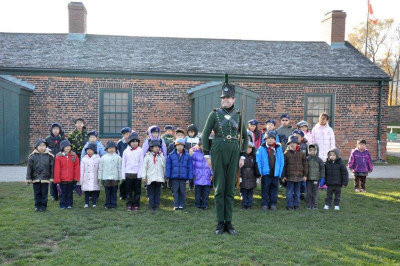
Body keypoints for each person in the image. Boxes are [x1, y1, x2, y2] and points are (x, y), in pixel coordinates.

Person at [201, 79, 248, 235]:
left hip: (234, 151)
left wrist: (242, 156)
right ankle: (220, 223)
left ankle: (229, 222)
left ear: (233, 99)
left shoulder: (239, 114)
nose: (225, 100)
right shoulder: (214, 114)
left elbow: (245, 137)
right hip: (218, 150)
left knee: (230, 188)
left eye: (228, 98)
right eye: (223, 98)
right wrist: (207, 154)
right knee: (220, 188)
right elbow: (205, 135)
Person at [256, 132, 284, 211]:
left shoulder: (278, 148)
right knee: (265, 189)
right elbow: (258, 161)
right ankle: (265, 203)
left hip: (275, 173)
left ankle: (273, 204)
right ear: (265, 139)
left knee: (274, 189)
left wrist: (280, 172)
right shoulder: (261, 148)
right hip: (266, 173)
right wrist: (260, 172)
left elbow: (281, 161)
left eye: (272, 138)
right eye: (269, 138)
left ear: (275, 139)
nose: (271, 140)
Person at [26, 139, 54, 211]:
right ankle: (37, 206)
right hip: (36, 178)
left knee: (44, 193)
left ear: (46, 147)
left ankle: (43, 206)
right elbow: (29, 168)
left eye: (44, 146)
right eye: (40, 146)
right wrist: (28, 178)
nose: (42, 147)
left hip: (45, 178)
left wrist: (52, 177)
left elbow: (52, 168)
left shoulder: (49, 156)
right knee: (37, 193)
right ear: (36, 147)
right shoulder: (32, 156)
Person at [165, 138, 193, 210]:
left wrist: (190, 177)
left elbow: (190, 167)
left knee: (182, 192)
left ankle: (181, 204)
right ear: (175, 146)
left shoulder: (187, 156)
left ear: (184, 146)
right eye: (178, 145)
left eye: (181, 145)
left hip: (183, 178)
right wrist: (167, 176)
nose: (179, 147)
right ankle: (176, 205)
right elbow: (168, 167)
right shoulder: (171, 155)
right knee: (175, 192)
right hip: (174, 177)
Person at [282, 135, 308, 211]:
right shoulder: (286, 153)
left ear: (297, 144)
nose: (292, 144)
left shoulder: (302, 153)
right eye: (290, 143)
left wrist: (305, 175)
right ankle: (289, 205)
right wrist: (283, 176)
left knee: (297, 192)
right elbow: (284, 165)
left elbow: (305, 164)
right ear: (288, 144)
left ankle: (296, 205)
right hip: (290, 177)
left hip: (299, 176)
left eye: (294, 143)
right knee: (289, 192)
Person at [311, 113, 335, 190]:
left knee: (326, 170)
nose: (322, 120)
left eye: (324, 119)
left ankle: (325, 184)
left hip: (327, 153)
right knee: (318, 169)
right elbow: (312, 140)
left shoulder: (330, 130)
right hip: (318, 153)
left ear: (327, 120)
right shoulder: (315, 129)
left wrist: (332, 152)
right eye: (321, 118)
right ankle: (318, 183)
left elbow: (332, 141)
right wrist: (313, 151)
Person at [53, 140, 80, 209]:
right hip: (62, 179)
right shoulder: (58, 157)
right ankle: (62, 204)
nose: (67, 148)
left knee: (70, 193)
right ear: (62, 148)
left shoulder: (74, 156)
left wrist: (76, 178)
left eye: (69, 146)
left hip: (71, 179)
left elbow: (76, 167)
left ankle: (69, 204)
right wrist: (57, 179)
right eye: (66, 147)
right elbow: (57, 169)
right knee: (63, 193)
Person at [141, 140, 166, 211]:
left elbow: (164, 167)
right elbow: (144, 167)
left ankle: (157, 205)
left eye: (158, 147)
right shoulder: (147, 157)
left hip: (159, 178)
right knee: (151, 193)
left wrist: (165, 176)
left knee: (157, 193)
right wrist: (144, 176)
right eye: (155, 147)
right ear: (151, 148)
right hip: (150, 178)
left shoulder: (161, 157)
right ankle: (152, 206)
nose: (157, 148)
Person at [121, 132, 143, 211]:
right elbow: (123, 164)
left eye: (136, 141)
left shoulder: (140, 151)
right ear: (130, 142)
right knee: (128, 191)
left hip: (137, 174)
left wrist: (140, 175)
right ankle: (129, 204)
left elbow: (141, 163)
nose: (134, 143)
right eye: (132, 141)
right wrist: (123, 175)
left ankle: (136, 204)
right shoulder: (126, 151)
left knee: (137, 191)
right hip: (128, 174)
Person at [45, 123, 67, 201]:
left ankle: (61, 194)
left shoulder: (63, 138)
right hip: (51, 162)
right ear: (51, 130)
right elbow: (43, 147)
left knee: (61, 179)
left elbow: (67, 148)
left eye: (57, 129)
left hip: (61, 162)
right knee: (53, 179)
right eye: (54, 129)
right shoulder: (47, 139)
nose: (55, 130)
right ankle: (54, 195)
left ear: (59, 130)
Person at [98, 141, 122, 209]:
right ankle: (107, 204)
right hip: (106, 178)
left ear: (115, 149)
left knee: (114, 192)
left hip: (115, 178)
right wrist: (100, 178)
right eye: (110, 148)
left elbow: (119, 168)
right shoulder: (103, 158)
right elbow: (100, 169)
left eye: (113, 148)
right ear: (106, 149)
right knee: (107, 192)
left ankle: (113, 204)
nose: (111, 149)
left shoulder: (118, 158)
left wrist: (120, 178)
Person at [191, 138, 213, 210]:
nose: (204, 147)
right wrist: (194, 174)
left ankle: (204, 204)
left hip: (207, 177)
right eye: (202, 145)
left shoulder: (211, 155)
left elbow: (212, 166)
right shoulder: (195, 154)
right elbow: (193, 165)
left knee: (206, 193)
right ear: (199, 146)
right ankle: (197, 204)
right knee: (198, 192)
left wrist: (212, 174)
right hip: (198, 176)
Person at [79, 143, 101, 208]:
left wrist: (99, 178)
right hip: (86, 177)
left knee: (94, 191)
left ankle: (94, 203)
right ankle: (86, 203)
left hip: (95, 177)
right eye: (87, 150)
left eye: (90, 150)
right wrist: (81, 180)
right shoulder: (84, 159)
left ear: (94, 150)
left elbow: (99, 169)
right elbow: (82, 170)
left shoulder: (98, 158)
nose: (89, 151)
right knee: (86, 191)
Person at [240, 142, 260, 209]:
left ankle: (249, 204)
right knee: (244, 192)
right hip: (243, 176)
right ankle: (244, 204)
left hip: (252, 176)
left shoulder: (254, 157)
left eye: (250, 148)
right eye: (247, 148)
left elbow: (256, 167)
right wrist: (239, 177)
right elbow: (239, 168)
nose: (248, 149)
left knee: (250, 192)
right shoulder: (241, 157)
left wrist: (258, 176)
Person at [306, 144, 324, 210]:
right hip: (308, 179)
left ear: (316, 151)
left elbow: (322, 169)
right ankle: (308, 205)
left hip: (316, 179)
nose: (312, 152)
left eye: (314, 150)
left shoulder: (319, 160)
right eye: (310, 150)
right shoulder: (307, 159)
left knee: (315, 193)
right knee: (308, 192)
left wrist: (322, 177)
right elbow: (304, 168)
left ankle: (315, 205)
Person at [117, 127, 132, 200]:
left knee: (129, 180)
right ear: (123, 135)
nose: (128, 136)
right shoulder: (120, 142)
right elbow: (118, 152)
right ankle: (122, 194)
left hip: (130, 163)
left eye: (129, 134)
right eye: (126, 134)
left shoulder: (132, 142)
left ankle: (128, 194)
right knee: (123, 180)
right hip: (122, 162)